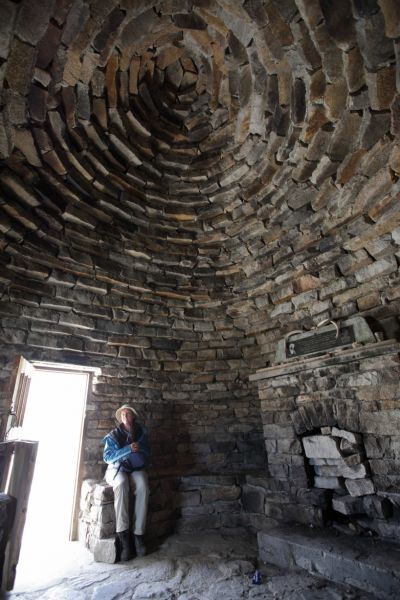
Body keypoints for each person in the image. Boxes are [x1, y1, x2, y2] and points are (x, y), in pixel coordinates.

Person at [103, 404, 150, 561]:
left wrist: (139, 450)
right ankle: (124, 540)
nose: (125, 417)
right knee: (122, 484)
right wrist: (128, 449)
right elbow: (108, 457)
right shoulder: (113, 435)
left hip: (135, 468)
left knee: (143, 485)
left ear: (133, 417)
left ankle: (139, 535)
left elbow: (147, 451)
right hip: (118, 469)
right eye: (123, 415)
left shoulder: (141, 432)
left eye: (128, 414)